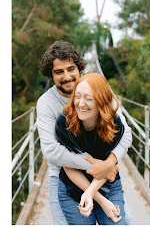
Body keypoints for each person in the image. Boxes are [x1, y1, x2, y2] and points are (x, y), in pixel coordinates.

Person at [36, 41, 132, 224]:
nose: (67, 76)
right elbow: (52, 151)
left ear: (79, 67)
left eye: (71, 68)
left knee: (125, 221)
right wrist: (95, 166)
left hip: (105, 178)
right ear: (51, 75)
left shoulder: (101, 90)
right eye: (58, 72)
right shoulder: (46, 104)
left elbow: (125, 133)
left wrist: (108, 164)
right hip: (66, 179)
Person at [55, 73, 127, 224]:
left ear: (102, 101)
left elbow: (107, 167)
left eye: (88, 99)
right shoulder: (64, 122)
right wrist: (99, 200)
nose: (81, 104)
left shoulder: (114, 124)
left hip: (107, 184)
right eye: (78, 96)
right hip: (73, 188)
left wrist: (91, 194)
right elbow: (68, 165)